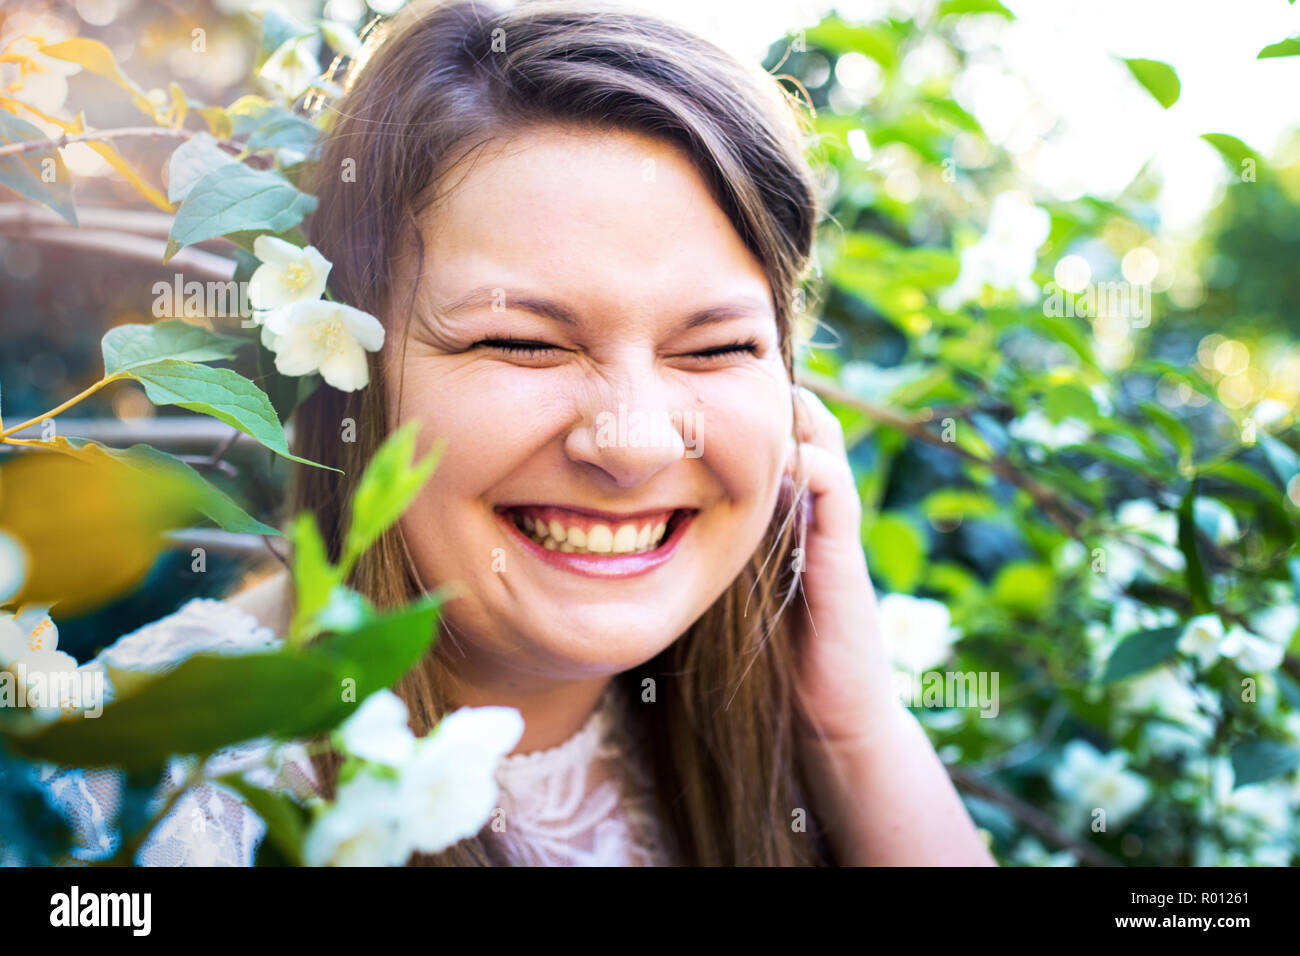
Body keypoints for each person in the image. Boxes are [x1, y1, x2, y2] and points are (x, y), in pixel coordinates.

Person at [51, 0, 996, 867]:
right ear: (348, 375)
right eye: (521, 342)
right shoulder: (156, 784)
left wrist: (855, 732)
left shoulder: (804, 758)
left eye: (714, 348)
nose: (632, 443)